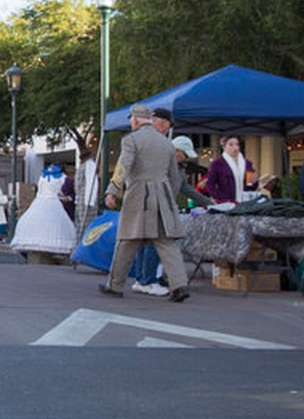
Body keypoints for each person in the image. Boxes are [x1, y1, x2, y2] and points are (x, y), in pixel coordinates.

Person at [100, 104, 190, 302]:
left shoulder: (131, 140)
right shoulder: (167, 144)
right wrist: (168, 197)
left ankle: (114, 285)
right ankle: (179, 285)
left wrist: (112, 191)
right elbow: (174, 177)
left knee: (126, 241)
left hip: (138, 195)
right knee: (167, 243)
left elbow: (123, 167)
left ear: (135, 119)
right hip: (163, 196)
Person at [128, 135, 212, 296]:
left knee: (146, 244)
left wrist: (207, 201)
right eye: (185, 154)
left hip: (156, 207)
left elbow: (186, 189)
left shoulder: (177, 167)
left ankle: (142, 279)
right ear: (176, 151)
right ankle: (148, 280)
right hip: (154, 207)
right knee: (152, 244)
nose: (186, 157)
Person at [9, 164, 76, 257]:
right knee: (56, 225)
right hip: (53, 202)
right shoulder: (64, 178)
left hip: (41, 201)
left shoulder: (43, 177)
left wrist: (67, 198)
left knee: (32, 222)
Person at [205, 135, 256, 204]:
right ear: (224, 147)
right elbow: (210, 185)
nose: (235, 148)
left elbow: (250, 186)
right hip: (226, 203)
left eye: (237, 145)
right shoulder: (217, 164)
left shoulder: (247, 164)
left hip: (245, 203)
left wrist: (254, 182)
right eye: (231, 145)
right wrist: (221, 198)